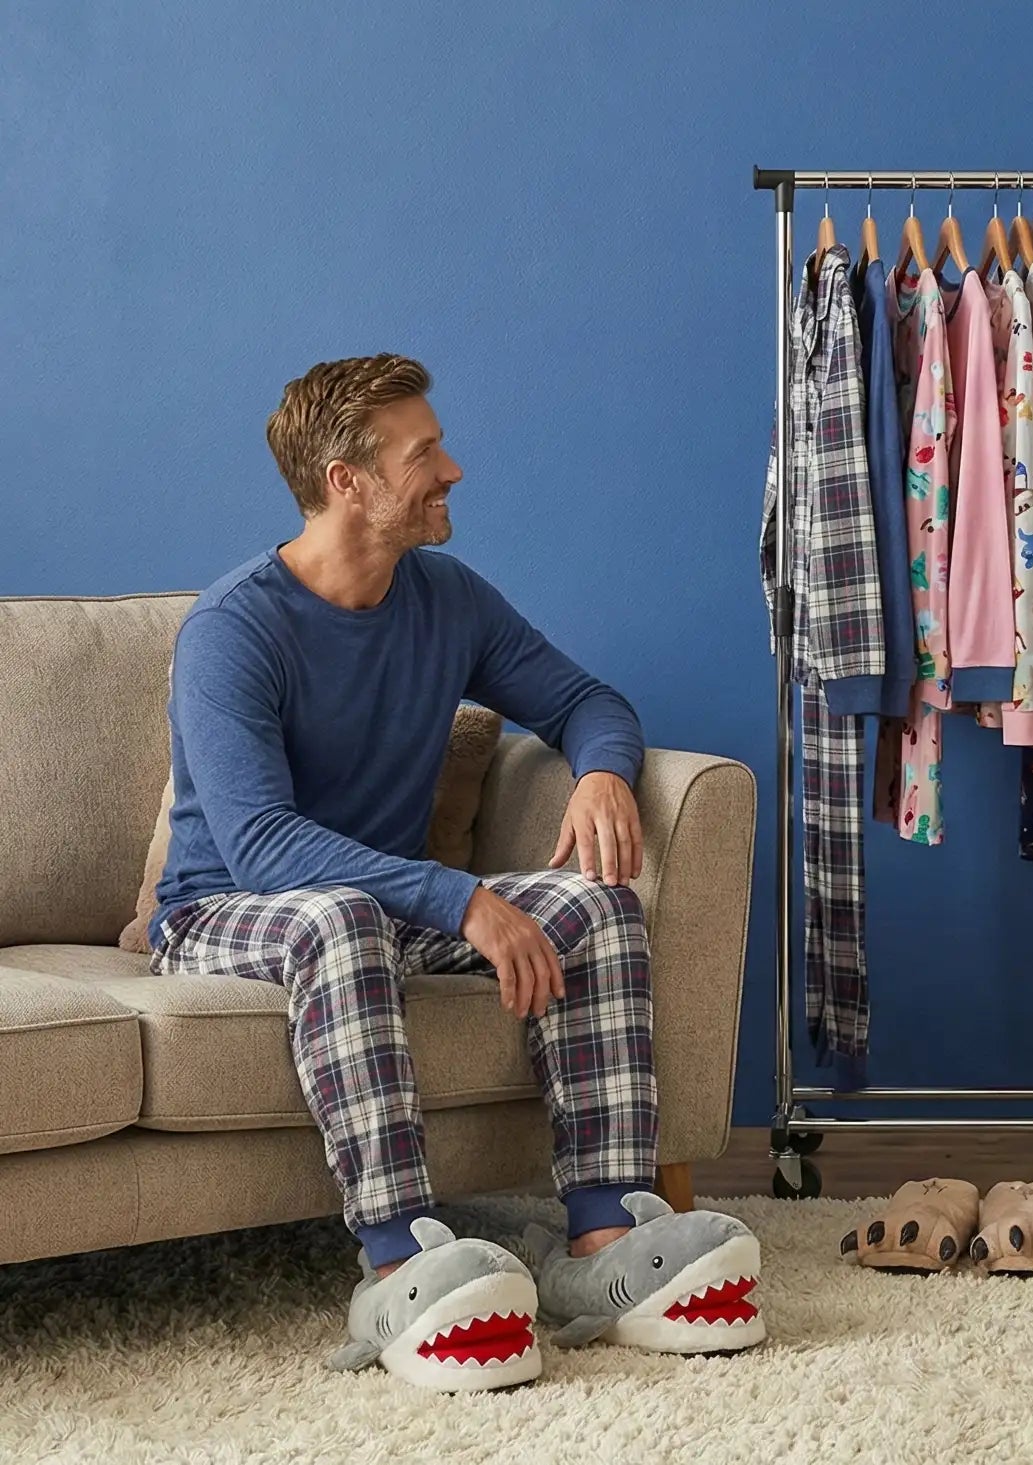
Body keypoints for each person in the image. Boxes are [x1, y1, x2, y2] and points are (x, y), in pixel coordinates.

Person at [152, 354, 666, 1386]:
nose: (453, 469)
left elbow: (587, 700)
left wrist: (603, 773)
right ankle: (400, 1263)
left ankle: (605, 1240)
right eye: (424, 452)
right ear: (347, 481)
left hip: (381, 907)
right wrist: (461, 899)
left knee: (594, 905)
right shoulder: (233, 628)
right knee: (339, 916)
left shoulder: (445, 598)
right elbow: (261, 844)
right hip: (224, 912)